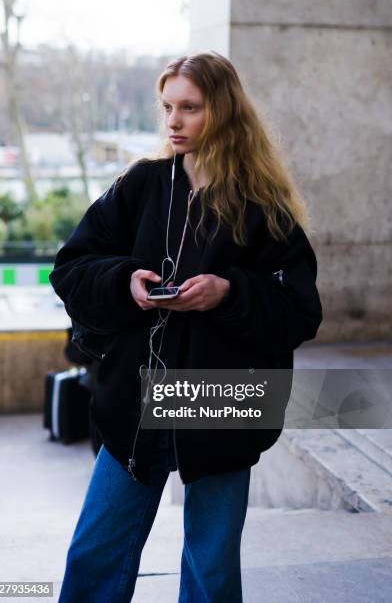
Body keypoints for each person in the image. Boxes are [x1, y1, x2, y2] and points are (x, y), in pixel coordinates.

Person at [49, 51, 323, 603]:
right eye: (167, 107)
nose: (173, 121)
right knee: (94, 556)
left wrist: (229, 292)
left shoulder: (262, 207)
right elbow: (71, 268)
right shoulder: (141, 185)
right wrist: (125, 279)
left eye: (190, 108)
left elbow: (300, 310)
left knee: (211, 568)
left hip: (221, 399)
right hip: (136, 396)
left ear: (221, 111)